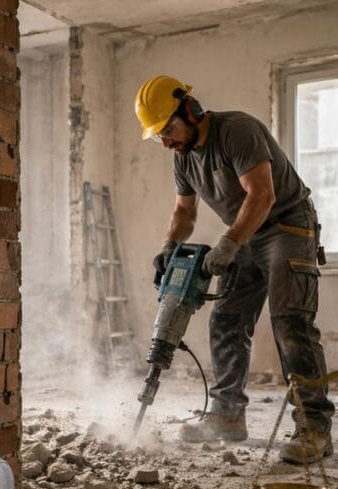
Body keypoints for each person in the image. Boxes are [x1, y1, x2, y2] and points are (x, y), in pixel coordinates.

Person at [135, 75, 333, 464]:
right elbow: (184, 211)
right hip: (246, 233)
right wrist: (169, 247)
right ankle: (227, 415)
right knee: (225, 319)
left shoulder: (237, 131)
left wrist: (228, 244)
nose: (166, 142)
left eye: (168, 130)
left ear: (190, 111)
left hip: (287, 225)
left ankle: (314, 427)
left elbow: (262, 195)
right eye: (158, 136)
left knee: (290, 321)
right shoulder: (183, 157)